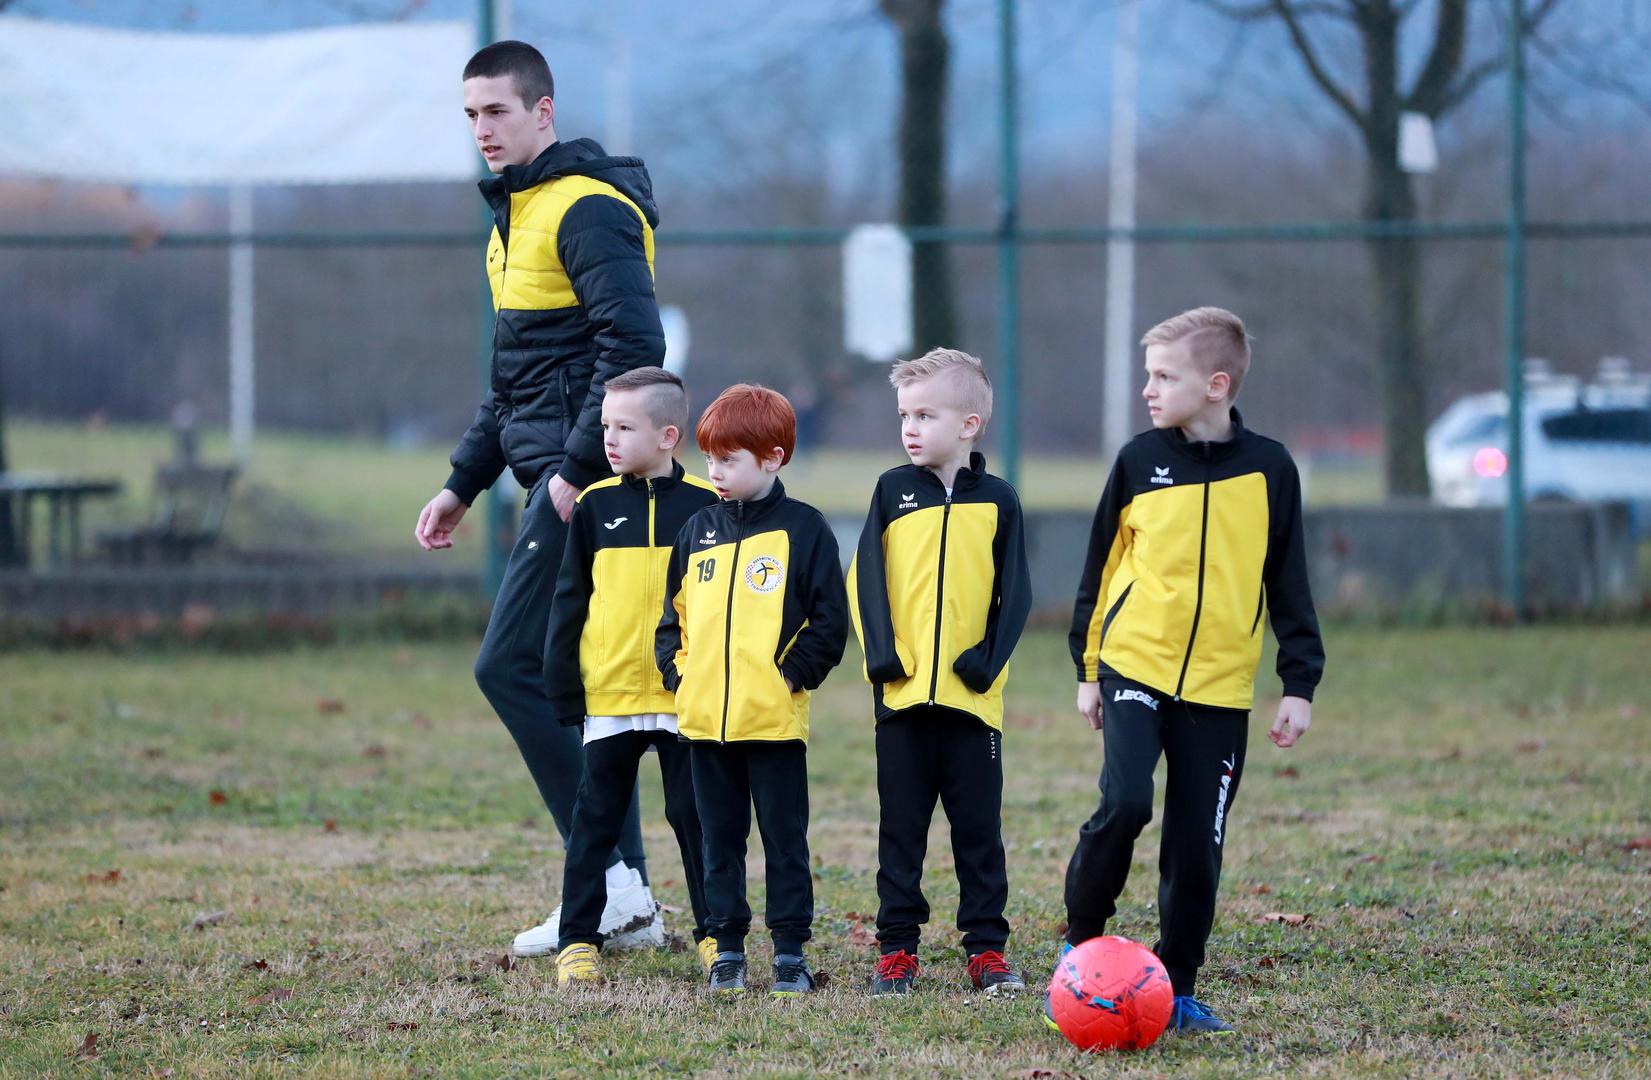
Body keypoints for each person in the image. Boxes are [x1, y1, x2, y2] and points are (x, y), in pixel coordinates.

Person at [412, 40, 667, 955]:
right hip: (550, 478)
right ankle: (627, 898)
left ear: (543, 110)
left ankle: (607, 884)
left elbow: (634, 352)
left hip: (586, 486)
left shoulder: (586, 209)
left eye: (497, 111)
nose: (482, 129)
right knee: (582, 690)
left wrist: (573, 467)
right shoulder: (513, 218)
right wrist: (463, 481)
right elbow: (515, 380)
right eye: (471, 115)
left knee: (510, 666)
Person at [1059, 306, 1326, 1034]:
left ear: (1215, 385)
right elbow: (1100, 567)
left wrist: (1298, 684)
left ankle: (1174, 986)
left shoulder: (1270, 469)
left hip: (1218, 687)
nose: (1147, 389)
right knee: (1125, 802)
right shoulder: (1136, 460)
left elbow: (1289, 580)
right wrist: (1089, 668)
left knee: (1195, 846)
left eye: (1163, 376)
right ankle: (1080, 940)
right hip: (1132, 666)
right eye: (1147, 375)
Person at [846, 348, 1032, 996]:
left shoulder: (999, 500)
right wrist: (881, 657)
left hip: (971, 702)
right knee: (900, 832)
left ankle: (986, 950)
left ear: (969, 424)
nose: (910, 427)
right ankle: (897, 949)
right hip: (901, 700)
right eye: (905, 415)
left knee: (979, 833)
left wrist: (986, 662)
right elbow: (866, 577)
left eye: (925, 415)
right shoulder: (891, 492)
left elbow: (1017, 593)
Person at [655, 385, 849, 996]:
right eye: (709, 459)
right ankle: (728, 951)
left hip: (773, 726)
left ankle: (790, 953)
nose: (714, 472)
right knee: (719, 842)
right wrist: (682, 678)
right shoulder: (697, 531)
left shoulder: (804, 529)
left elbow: (830, 621)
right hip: (705, 728)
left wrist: (789, 676)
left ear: (773, 458)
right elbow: (672, 620)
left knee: (784, 842)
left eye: (729, 460)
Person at [542, 368, 720, 987]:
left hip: (684, 695)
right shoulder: (594, 505)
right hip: (610, 694)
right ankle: (577, 940)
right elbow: (569, 600)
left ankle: (716, 935)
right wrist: (564, 683)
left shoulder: (708, 506)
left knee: (695, 817)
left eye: (624, 428)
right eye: (605, 427)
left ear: (668, 436)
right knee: (595, 822)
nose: (608, 440)